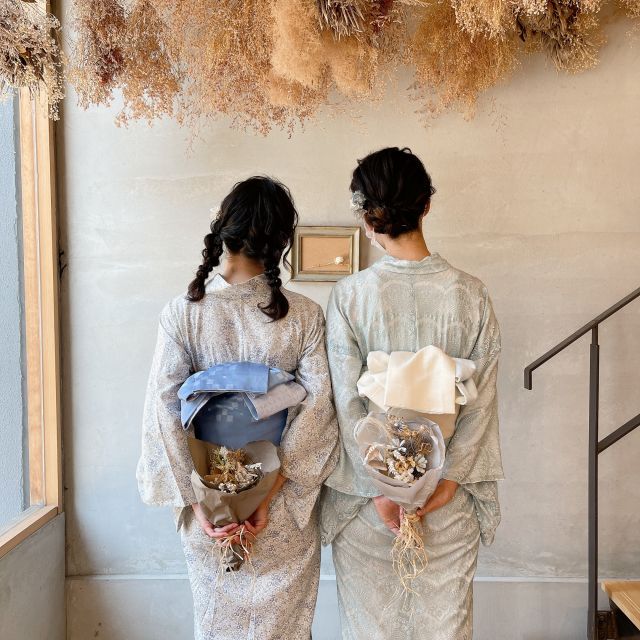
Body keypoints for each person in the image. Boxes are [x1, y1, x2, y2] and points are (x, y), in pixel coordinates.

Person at [137, 176, 338, 640]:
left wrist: (200, 501)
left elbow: (165, 412)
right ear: (280, 242)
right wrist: (265, 492)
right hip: (281, 503)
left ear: (222, 230)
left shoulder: (183, 313)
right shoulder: (303, 315)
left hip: (210, 501)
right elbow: (318, 411)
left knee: (218, 627)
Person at [322, 147, 503, 640]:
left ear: (368, 218)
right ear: (426, 205)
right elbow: (480, 403)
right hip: (447, 497)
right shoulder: (471, 294)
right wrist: (446, 482)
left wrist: (384, 489)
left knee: (371, 630)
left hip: (370, 503)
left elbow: (347, 403)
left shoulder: (350, 296)